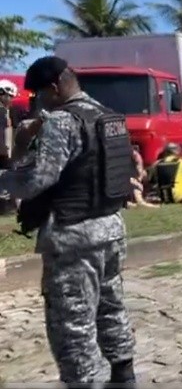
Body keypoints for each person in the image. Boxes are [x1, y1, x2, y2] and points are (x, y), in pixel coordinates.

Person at [0, 56, 137, 385]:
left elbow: (38, 180)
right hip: (110, 227)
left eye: (37, 94)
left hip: (73, 235)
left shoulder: (63, 121)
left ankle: (83, 382)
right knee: (110, 305)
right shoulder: (108, 115)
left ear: (54, 88)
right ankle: (124, 375)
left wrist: (8, 171)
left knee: (71, 322)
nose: (37, 102)